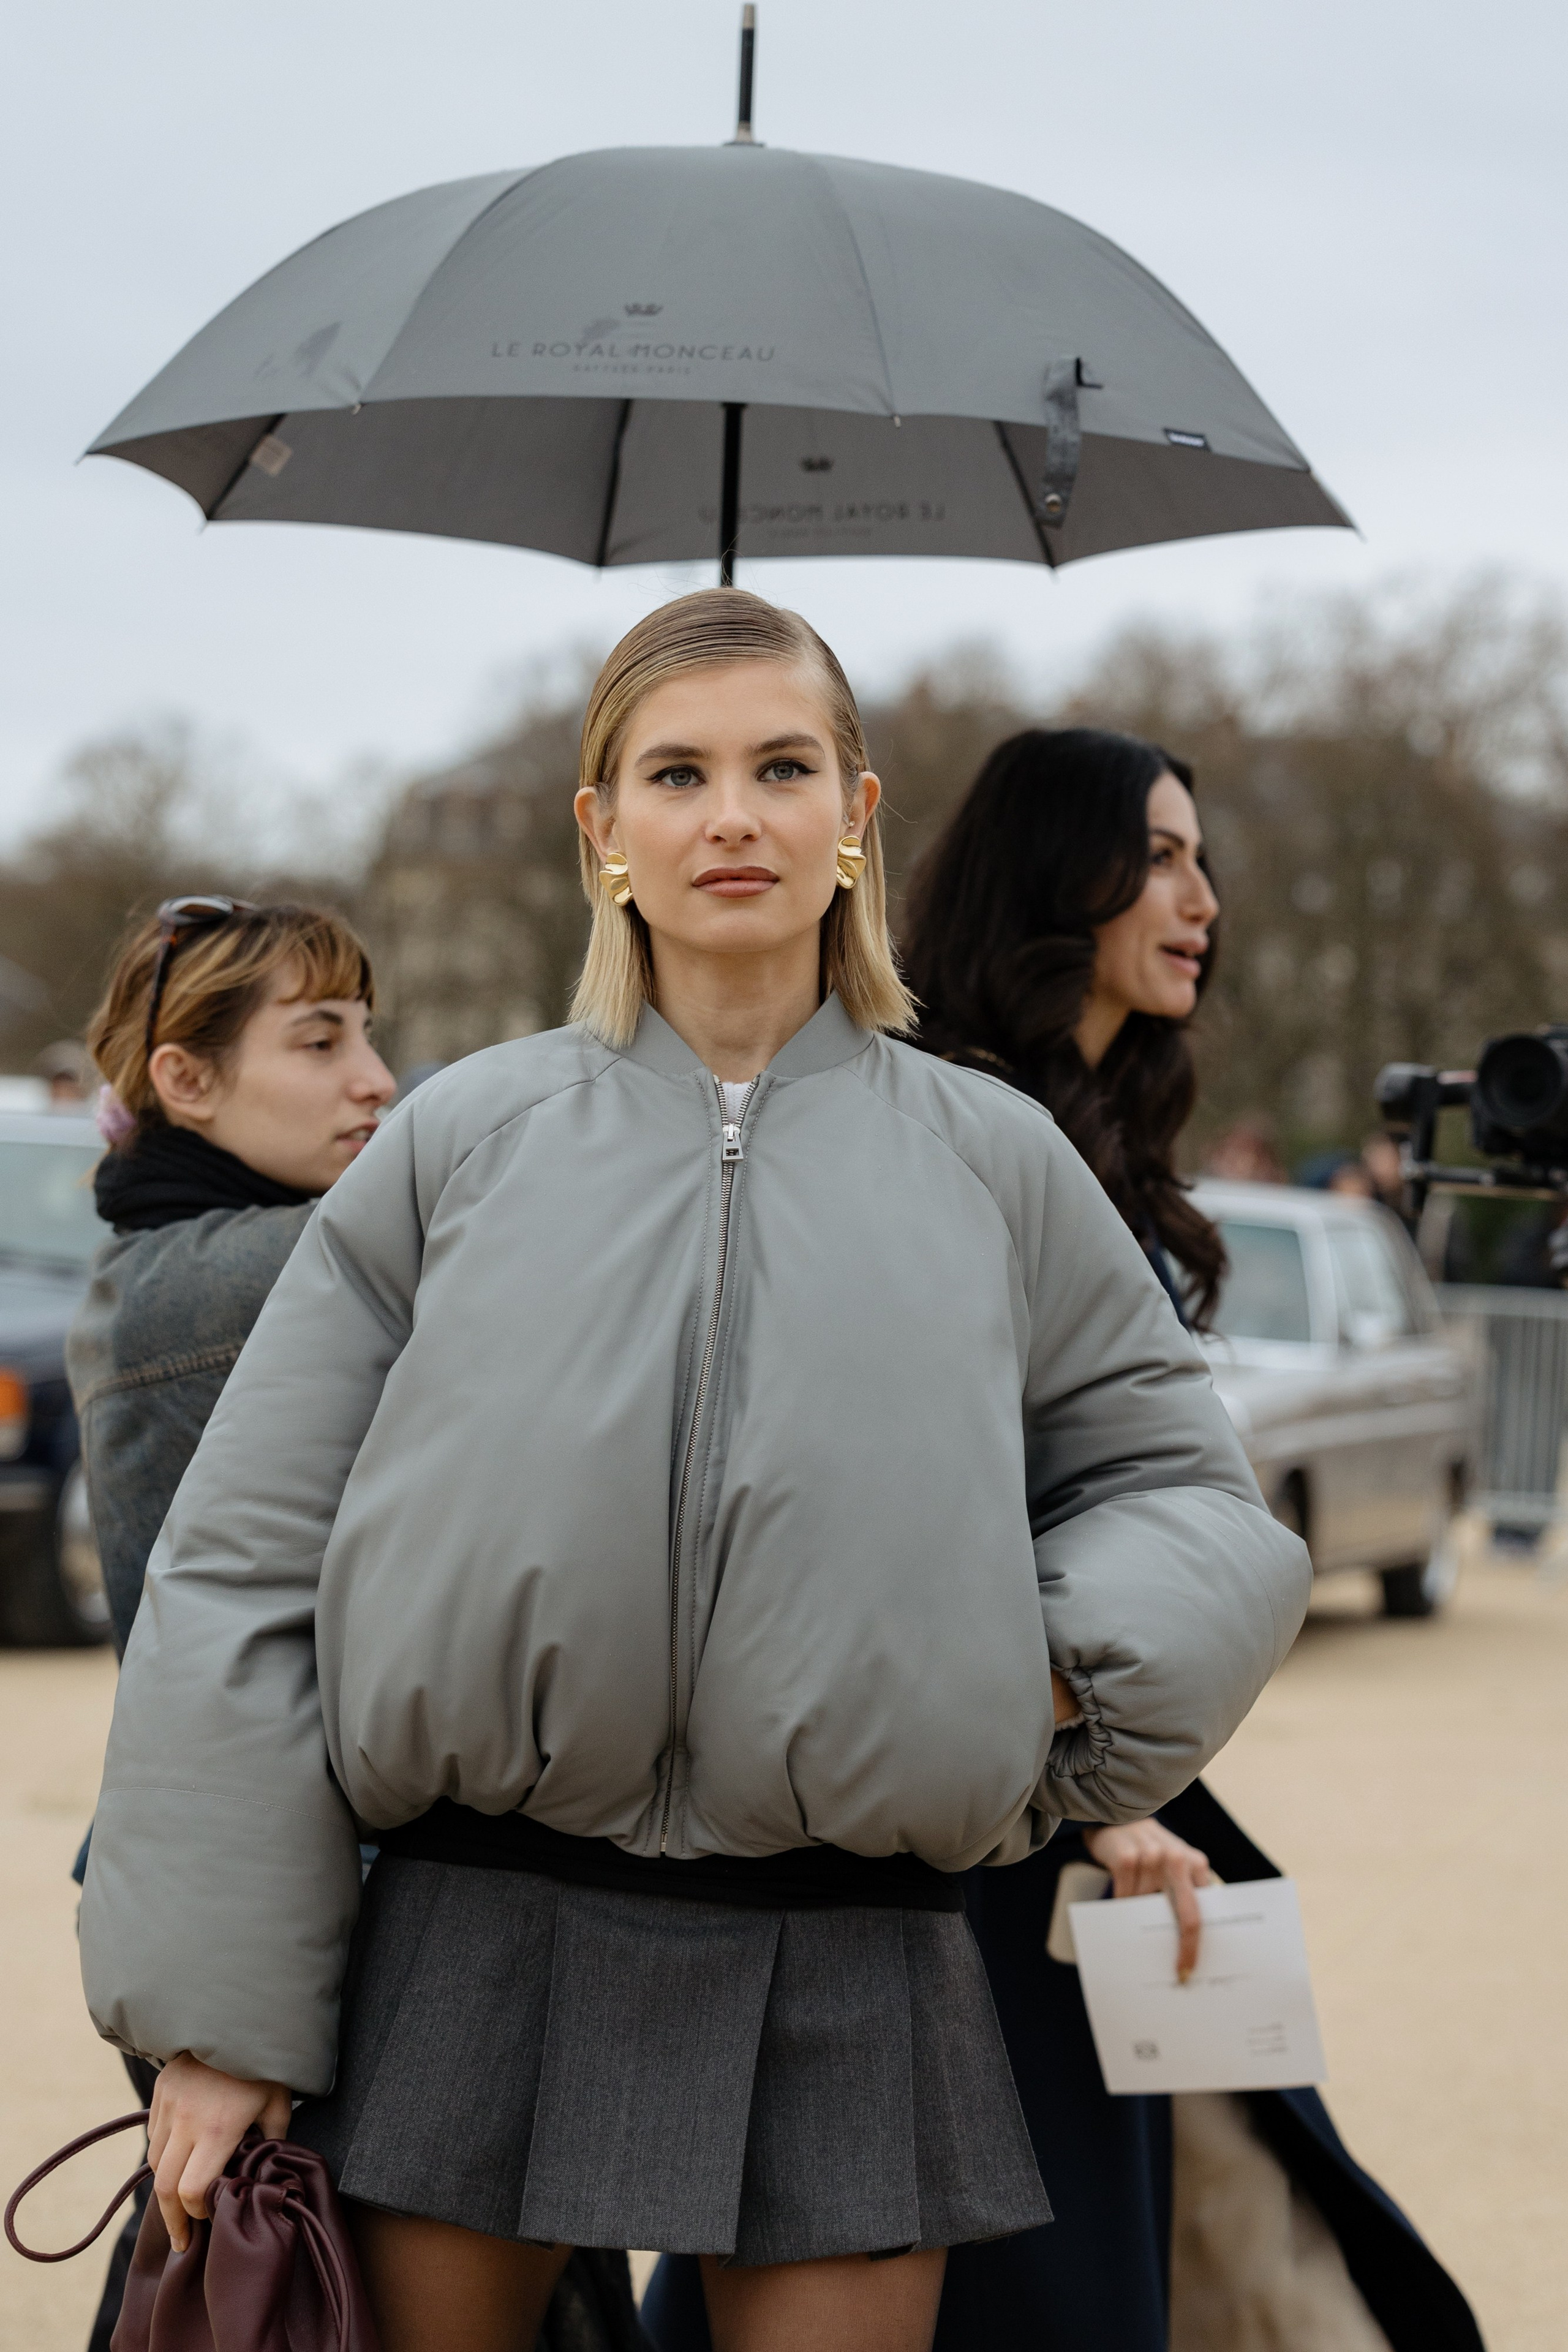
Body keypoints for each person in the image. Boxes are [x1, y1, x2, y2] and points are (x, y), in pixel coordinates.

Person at [78, 595, 1308, 2352]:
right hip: (476, 1929)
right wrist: (223, 2020)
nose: (733, 814)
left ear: (857, 812)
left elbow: (1195, 1508)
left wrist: (1025, 1683)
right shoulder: (458, 1144)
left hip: (860, 1945)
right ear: (606, 830)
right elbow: (243, 1574)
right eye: (679, 770)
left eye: (781, 766)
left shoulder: (995, 1161)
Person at [872, 730, 1482, 2349]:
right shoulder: (951, 1130)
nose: (1203, 897)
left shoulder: (1090, 1140)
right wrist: (1094, 1788)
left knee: (1190, 2245)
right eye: (1159, 856)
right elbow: (937, 1494)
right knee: (1033, 2280)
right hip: (997, 1802)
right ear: (1050, 879)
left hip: (1080, 1784)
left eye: (1201, 856)